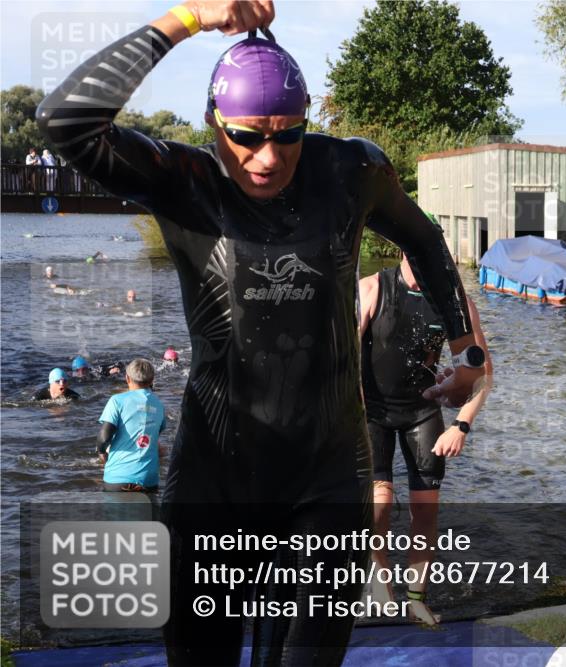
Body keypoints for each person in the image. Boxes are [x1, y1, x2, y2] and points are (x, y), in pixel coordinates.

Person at [37, 2, 485, 664]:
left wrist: (465, 348)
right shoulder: (184, 181)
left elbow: (422, 235)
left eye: (288, 134)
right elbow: (63, 122)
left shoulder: (349, 172)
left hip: (328, 472)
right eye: (246, 136)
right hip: (215, 473)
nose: (268, 157)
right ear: (215, 123)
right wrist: (189, 17)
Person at [359, 252, 491, 625]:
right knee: (378, 504)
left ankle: (417, 598)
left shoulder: (455, 304)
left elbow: (482, 376)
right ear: (404, 251)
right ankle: (378, 577)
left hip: (422, 411)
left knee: (425, 509)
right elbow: (342, 359)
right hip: (372, 411)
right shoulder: (370, 289)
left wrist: (460, 425)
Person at [96, 359, 166, 492]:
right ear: (152, 380)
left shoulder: (117, 401)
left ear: (127, 378)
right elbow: (155, 435)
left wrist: (101, 452)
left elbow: (104, 437)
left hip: (118, 479)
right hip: (148, 480)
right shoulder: (159, 404)